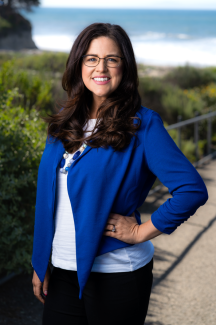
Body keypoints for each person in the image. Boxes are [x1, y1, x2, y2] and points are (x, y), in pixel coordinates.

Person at [31, 23, 208, 325]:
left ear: (125, 67)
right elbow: (48, 198)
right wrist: (40, 261)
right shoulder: (62, 125)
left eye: (112, 59)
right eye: (91, 58)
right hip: (61, 273)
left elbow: (192, 190)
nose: (101, 67)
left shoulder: (143, 124)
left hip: (116, 274)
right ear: (79, 64)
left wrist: (141, 231)